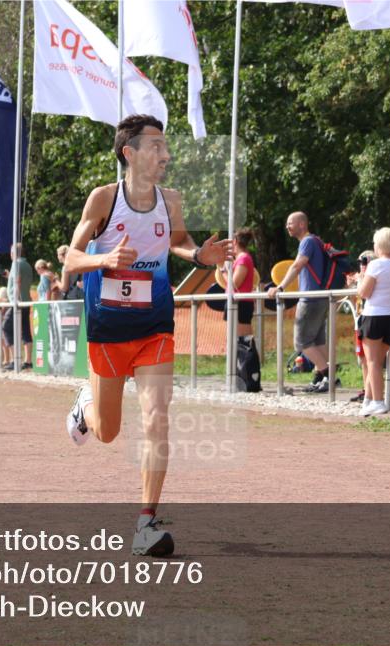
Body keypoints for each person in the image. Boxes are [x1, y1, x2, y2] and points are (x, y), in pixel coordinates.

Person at [63, 114, 232, 557]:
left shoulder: (170, 199)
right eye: (155, 146)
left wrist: (199, 254)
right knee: (107, 433)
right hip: (107, 329)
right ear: (130, 153)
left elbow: (177, 241)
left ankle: (146, 524)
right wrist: (104, 261)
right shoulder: (103, 199)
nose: (166, 155)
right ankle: (87, 404)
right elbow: (70, 260)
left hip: (155, 327)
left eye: (165, 146)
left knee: (157, 416)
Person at [266, 212, 337, 393]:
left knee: (301, 342)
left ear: (302, 224)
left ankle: (329, 375)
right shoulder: (316, 241)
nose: (287, 226)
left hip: (310, 299)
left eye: (291, 223)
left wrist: (280, 287)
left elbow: (297, 265)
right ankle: (322, 378)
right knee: (318, 340)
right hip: (320, 298)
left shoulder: (307, 242)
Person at [357, 228, 390, 416]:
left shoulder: (376, 265)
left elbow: (364, 292)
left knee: (372, 362)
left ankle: (378, 401)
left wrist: (361, 279)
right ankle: (369, 400)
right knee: (376, 361)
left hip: (374, 315)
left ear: (379, 245)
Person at [346, 250, 376, 403]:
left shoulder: (373, 276)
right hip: (359, 321)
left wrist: (362, 278)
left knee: (371, 359)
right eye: (361, 262)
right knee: (363, 359)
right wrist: (352, 283)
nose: (363, 265)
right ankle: (366, 388)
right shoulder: (360, 277)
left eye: (366, 262)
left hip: (370, 320)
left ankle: (372, 392)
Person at [216, 228, 256, 339]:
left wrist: (222, 268)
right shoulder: (240, 258)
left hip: (241, 303)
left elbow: (234, 284)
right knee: (235, 341)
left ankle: (250, 357)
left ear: (234, 241)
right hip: (236, 302)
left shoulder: (243, 258)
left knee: (243, 342)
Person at [4, 243, 33, 370]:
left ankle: (15, 360)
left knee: (5, 327)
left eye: (11, 252)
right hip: (26, 301)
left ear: (15, 253)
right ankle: (28, 361)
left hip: (17, 302)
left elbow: (18, 281)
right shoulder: (27, 265)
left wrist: (14, 299)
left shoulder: (16, 264)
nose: (10, 254)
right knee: (25, 330)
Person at [0, 286, 13, 370]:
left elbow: (1, 312)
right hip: (0, 323)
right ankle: (6, 359)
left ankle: (7, 359)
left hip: (2, 323)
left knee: (4, 342)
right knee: (3, 342)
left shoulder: (6, 303)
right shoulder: (4, 303)